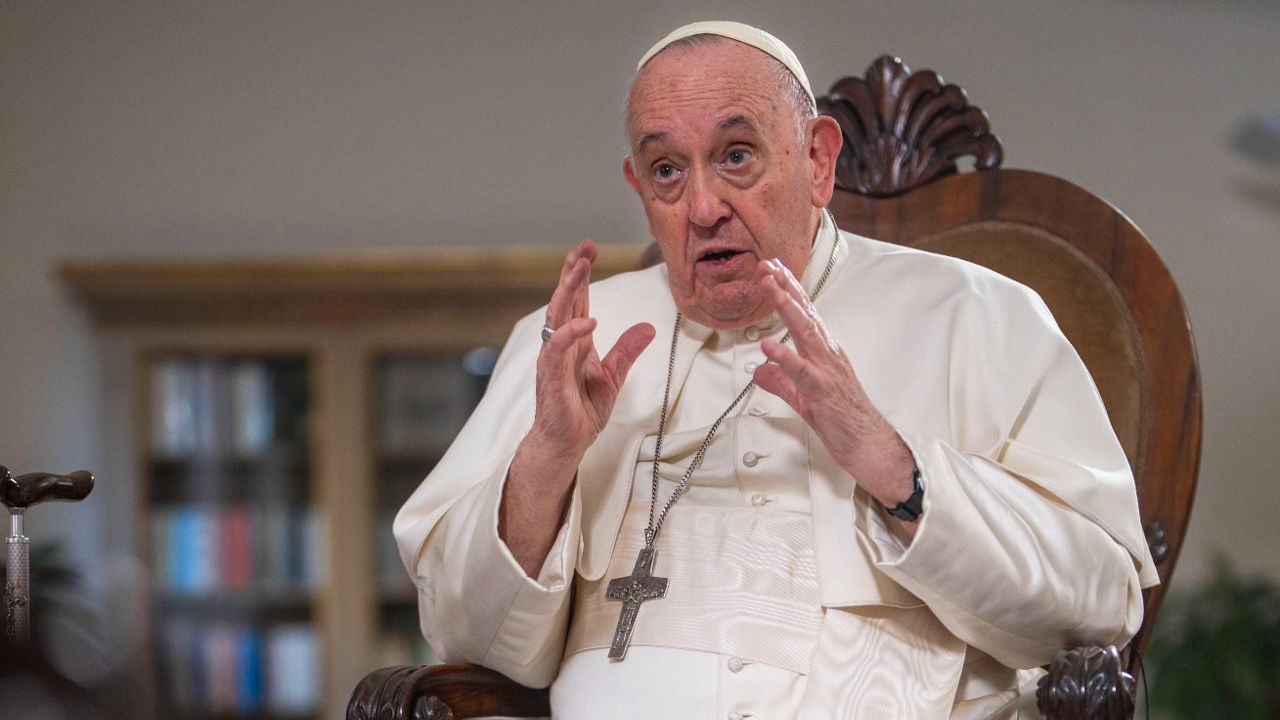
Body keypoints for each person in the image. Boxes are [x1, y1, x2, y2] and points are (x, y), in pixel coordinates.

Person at [394, 21, 1157, 719]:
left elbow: (1098, 608)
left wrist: (895, 469)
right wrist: (547, 460)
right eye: (667, 170)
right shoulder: (571, 338)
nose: (702, 208)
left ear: (818, 161)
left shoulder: (977, 315)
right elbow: (465, 635)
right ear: (639, 189)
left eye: (736, 155)